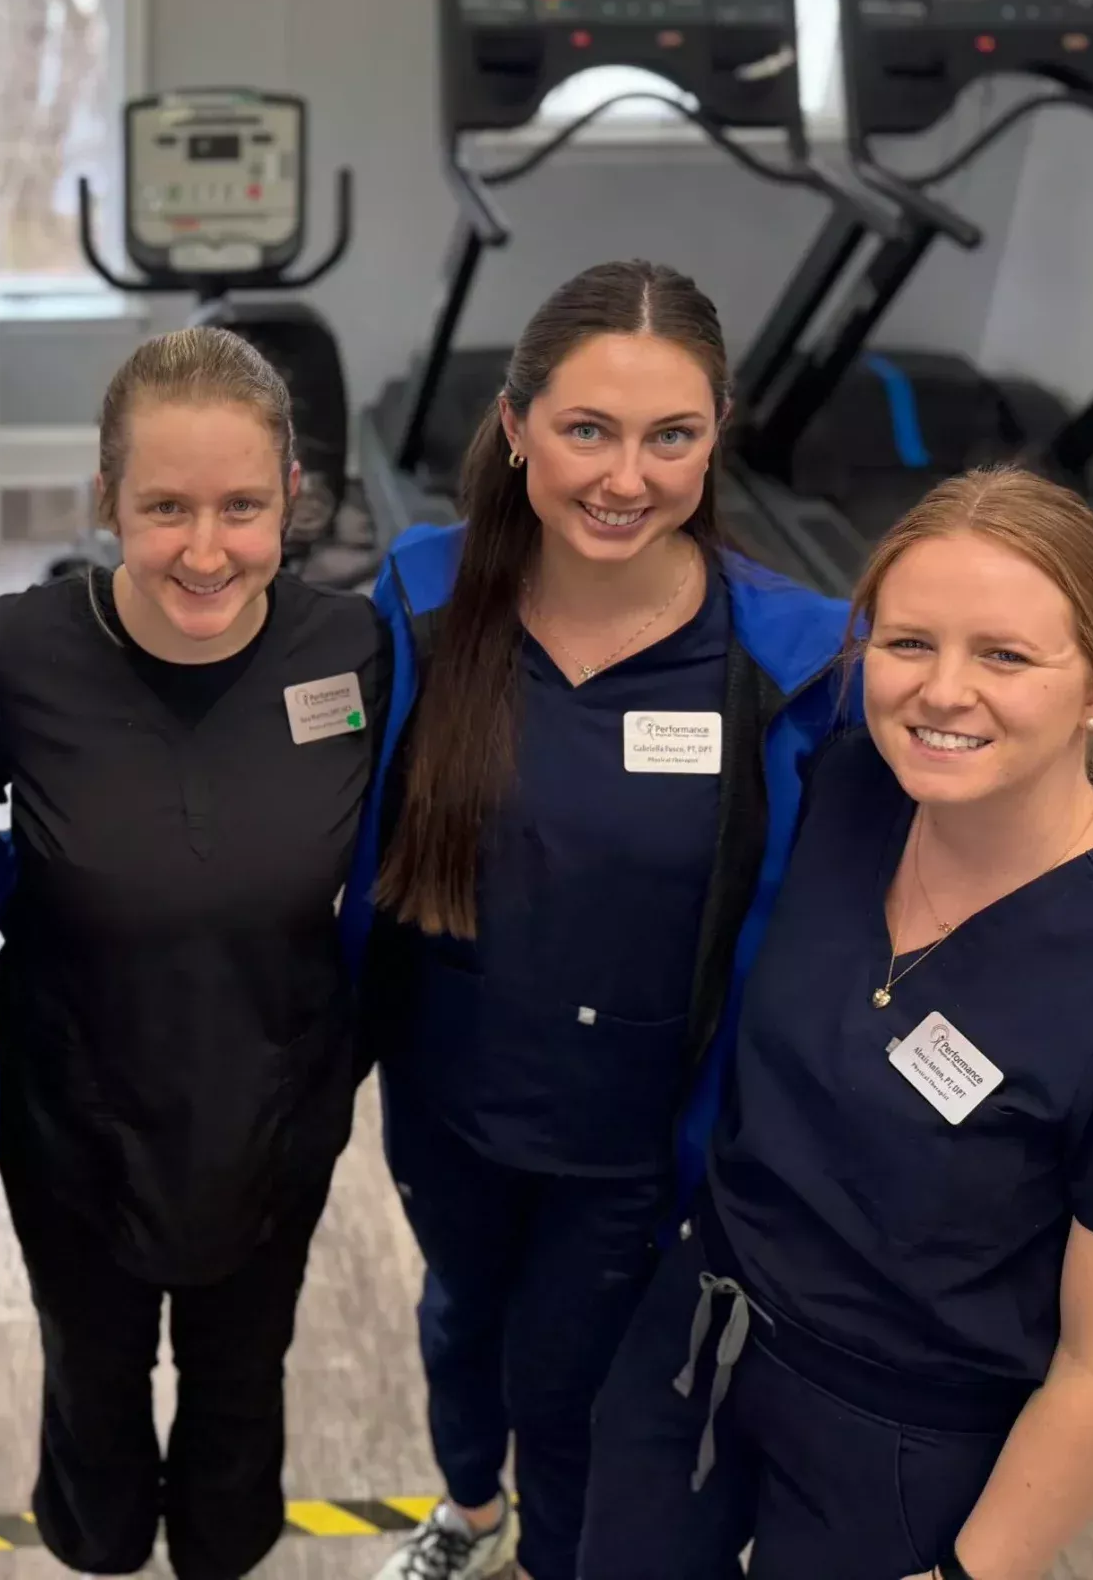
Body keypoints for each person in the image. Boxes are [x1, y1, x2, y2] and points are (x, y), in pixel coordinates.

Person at [576, 466, 1093, 1580]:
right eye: (907, 643)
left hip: (902, 1444)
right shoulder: (855, 790)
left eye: (1004, 656)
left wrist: (970, 1572)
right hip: (699, 1337)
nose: (941, 692)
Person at [344, 263, 855, 1580]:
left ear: (716, 434)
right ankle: (467, 1509)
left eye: (670, 435)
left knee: (565, 1388)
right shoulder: (419, 599)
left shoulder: (792, 663)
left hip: (636, 1137)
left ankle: (556, 1556)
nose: (626, 476)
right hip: (447, 1094)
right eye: (588, 430)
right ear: (516, 427)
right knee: (461, 1317)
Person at [0, 326, 388, 1580]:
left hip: (273, 1106)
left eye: (242, 506)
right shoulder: (18, 650)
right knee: (91, 1376)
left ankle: (221, 1549)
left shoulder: (351, 652)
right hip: (76, 1113)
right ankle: (93, 1547)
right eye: (165, 507)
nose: (206, 548)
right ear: (106, 502)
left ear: (292, 496)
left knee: (243, 1377)